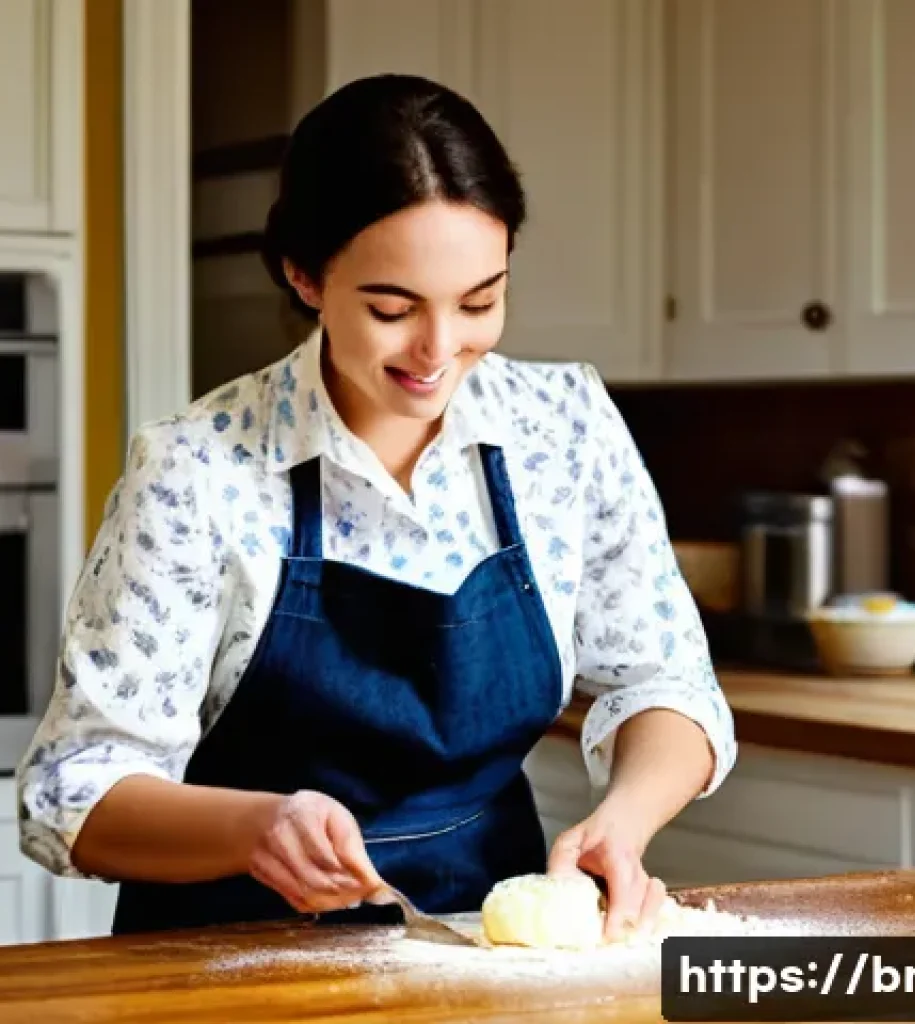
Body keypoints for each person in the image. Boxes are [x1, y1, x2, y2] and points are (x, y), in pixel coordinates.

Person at [17, 73, 736, 940]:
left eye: (480, 301)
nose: (439, 349)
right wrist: (257, 828)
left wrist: (623, 820)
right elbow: (74, 790)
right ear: (305, 275)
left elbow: (663, 680)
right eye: (393, 309)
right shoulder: (196, 470)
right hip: (229, 948)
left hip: (483, 946)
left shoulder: (564, 426)